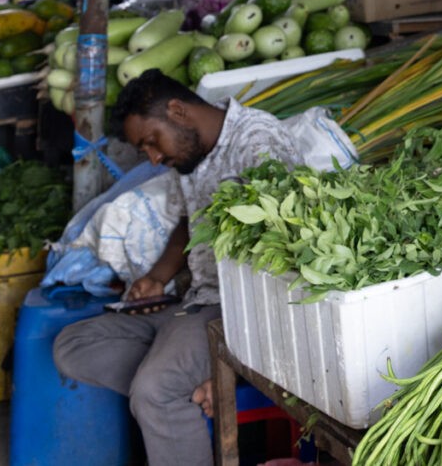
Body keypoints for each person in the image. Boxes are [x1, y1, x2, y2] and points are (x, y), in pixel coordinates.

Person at [53, 69, 303, 466]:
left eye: (152, 142)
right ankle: (179, 389)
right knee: (73, 346)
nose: (154, 157)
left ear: (177, 111)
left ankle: (169, 391)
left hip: (235, 311)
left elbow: (283, 255)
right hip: (194, 303)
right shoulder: (194, 157)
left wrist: (235, 365)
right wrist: (157, 278)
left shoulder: (257, 142)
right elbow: (190, 224)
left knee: (154, 390)